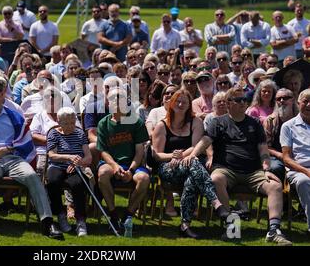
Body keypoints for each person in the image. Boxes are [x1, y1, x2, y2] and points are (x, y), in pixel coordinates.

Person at [183, 87, 292, 245]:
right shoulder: (218, 122)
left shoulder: (254, 123)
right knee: (215, 179)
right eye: (239, 100)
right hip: (226, 169)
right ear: (228, 103)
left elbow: (263, 150)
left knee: (275, 186)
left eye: (245, 100)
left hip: (253, 171)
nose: (243, 103)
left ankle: (274, 230)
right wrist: (193, 155)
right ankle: (231, 226)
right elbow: (205, 141)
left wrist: (266, 168)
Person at [0, 75, 63, 239]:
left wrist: (7, 149)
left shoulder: (15, 110)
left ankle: (47, 221)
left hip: (13, 156)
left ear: (3, 92)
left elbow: (24, 138)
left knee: (32, 176)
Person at [152, 89, 230, 238]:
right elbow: (157, 155)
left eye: (185, 102)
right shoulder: (162, 125)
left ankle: (185, 225)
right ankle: (217, 205)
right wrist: (173, 156)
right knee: (193, 163)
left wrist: (181, 155)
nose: (181, 104)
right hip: (169, 167)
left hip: (188, 164)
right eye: (177, 101)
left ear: (189, 105)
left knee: (191, 179)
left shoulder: (196, 122)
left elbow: (195, 147)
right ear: (171, 103)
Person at [96, 87, 150, 233]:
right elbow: (103, 152)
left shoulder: (136, 122)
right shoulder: (103, 123)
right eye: (112, 99)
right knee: (102, 174)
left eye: (119, 98)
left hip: (133, 164)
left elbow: (140, 152)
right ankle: (113, 215)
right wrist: (115, 167)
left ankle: (128, 215)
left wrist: (131, 170)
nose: (115, 102)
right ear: (108, 103)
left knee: (144, 178)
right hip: (111, 163)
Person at [46, 107, 92, 236]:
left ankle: (80, 220)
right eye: (66, 123)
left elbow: (88, 157)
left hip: (76, 167)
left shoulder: (79, 133)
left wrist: (78, 162)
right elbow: (52, 155)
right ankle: (61, 215)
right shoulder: (53, 133)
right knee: (52, 182)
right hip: (58, 165)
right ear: (58, 122)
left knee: (77, 184)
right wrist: (68, 157)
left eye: (72, 122)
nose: (70, 126)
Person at [281, 88, 310, 235]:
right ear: (298, 103)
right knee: (304, 181)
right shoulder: (288, 126)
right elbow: (286, 158)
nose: (309, 104)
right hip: (298, 170)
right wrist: (306, 171)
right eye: (306, 101)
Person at [263, 88, 298, 183]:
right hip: (277, 156)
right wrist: (281, 155)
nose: (282, 101)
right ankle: (281, 195)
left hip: (298, 154)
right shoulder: (270, 120)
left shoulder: (300, 118)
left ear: (293, 99)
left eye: (286, 98)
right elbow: (266, 145)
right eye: (279, 99)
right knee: (275, 168)